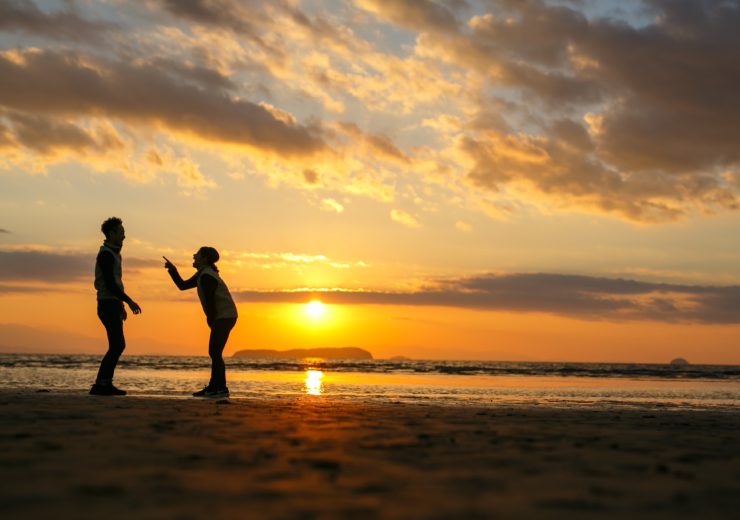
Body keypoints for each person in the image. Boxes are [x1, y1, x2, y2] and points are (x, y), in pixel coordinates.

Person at [164, 247, 238, 398]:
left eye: (196, 254)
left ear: (204, 259)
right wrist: (173, 270)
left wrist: (210, 320)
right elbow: (182, 286)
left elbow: (211, 302)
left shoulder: (206, 276)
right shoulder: (203, 274)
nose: (193, 255)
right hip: (224, 316)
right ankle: (219, 388)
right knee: (215, 352)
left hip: (224, 316)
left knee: (214, 352)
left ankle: (215, 388)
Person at [90, 217, 142, 396]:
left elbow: (116, 284)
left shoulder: (114, 253)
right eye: (121, 233)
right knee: (118, 345)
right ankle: (101, 384)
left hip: (113, 304)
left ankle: (104, 383)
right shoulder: (106, 254)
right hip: (106, 304)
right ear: (111, 234)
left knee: (117, 345)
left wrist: (121, 305)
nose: (124, 236)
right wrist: (129, 301)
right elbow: (111, 284)